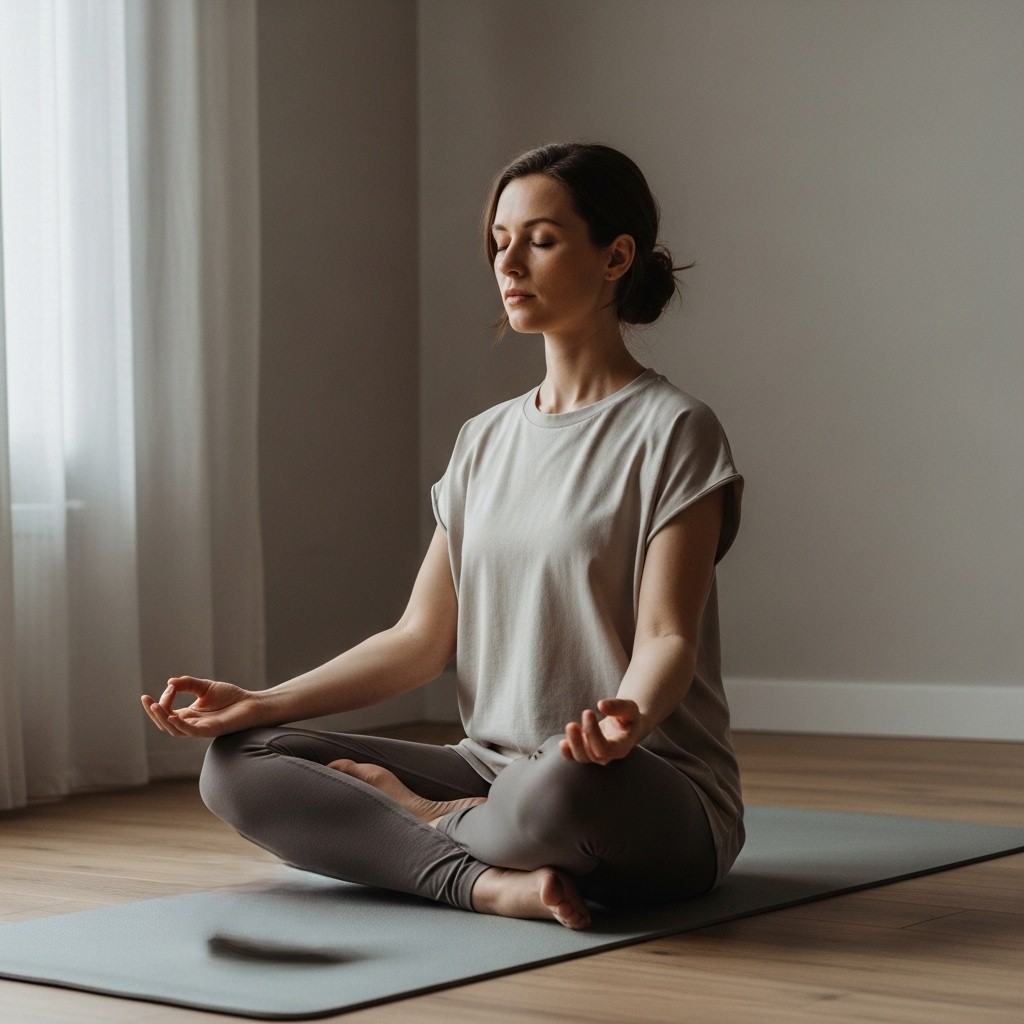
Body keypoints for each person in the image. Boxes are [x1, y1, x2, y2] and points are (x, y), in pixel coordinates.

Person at [142, 142, 744, 931]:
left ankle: (425, 824)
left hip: (630, 784)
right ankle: (486, 883)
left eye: (542, 239)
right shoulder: (484, 441)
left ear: (615, 256)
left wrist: (624, 714)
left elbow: (668, 634)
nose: (510, 263)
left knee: (559, 786)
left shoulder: (675, 430)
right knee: (239, 765)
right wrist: (261, 701)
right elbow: (421, 640)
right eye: (499, 242)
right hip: (490, 774)